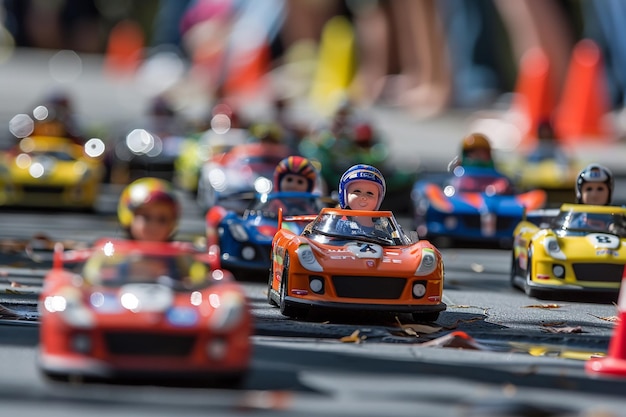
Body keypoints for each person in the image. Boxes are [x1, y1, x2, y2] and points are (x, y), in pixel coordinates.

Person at [117, 177, 180, 241]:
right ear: (129, 217)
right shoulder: (114, 250)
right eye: (146, 217)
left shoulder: (183, 250)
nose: (154, 226)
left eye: (162, 220)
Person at [335, 164, 388, 236]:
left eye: (370, 193)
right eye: (357, 191)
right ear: (344, 195)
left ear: (378, 199)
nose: (363, 197)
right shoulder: (337, 224)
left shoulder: (385, 228)